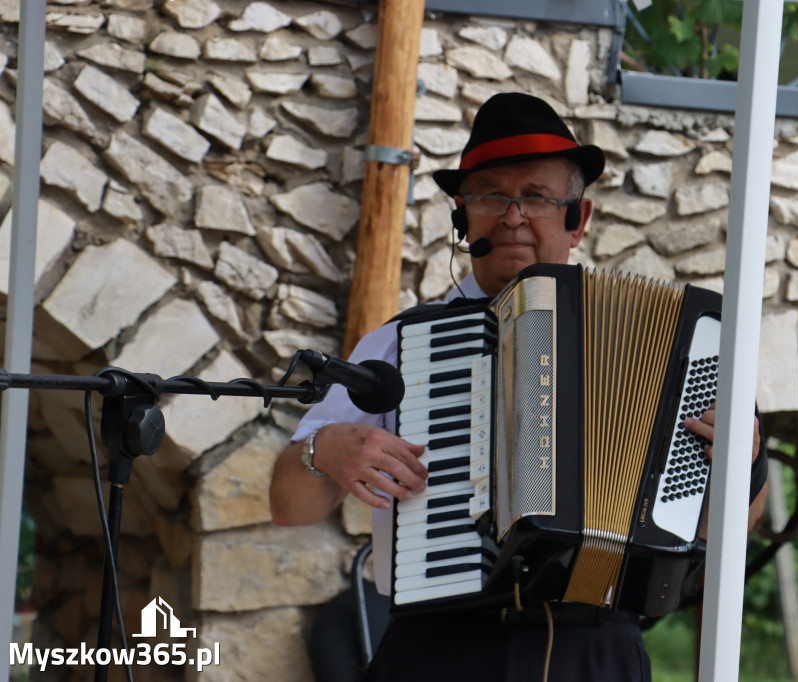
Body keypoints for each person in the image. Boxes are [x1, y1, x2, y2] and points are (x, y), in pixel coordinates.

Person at [270, 92, 768, 682]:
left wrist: (745, 463)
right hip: (441, 650)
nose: (512, 216)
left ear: (577, 219)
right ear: (462, 215)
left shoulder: (682, 344)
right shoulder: (396, 346)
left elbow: (729, 527)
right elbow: (288, 506)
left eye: (536, 197)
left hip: (597, 649)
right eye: (491, 196)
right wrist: (321, 452)